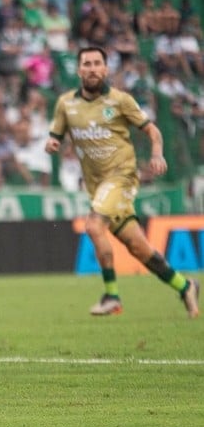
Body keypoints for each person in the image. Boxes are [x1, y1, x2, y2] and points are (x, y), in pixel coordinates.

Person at [45, 47, 199, 318]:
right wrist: (52, 143)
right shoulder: (65, 104)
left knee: (94, 226)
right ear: (79, 70)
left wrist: (157, 154)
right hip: (97, 187)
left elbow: (152, 130)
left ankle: (112, 296)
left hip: (122, 177)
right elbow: (55, 135)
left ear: (105, 69)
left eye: (97, 63)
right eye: (87, 64)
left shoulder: (120, 101)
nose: (92, 68)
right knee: (139, 248)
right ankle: (185, 286)